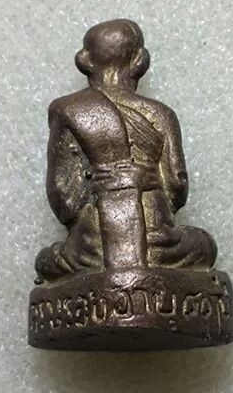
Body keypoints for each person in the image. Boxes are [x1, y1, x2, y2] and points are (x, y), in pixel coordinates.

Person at [35, 19, 217, 282]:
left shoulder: (67, 110)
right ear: (140, 61)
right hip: (159, 244)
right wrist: (143, 181)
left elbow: (62, 196)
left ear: (84, 60)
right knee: (204, 246)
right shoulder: (161, 114)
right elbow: (177, 187)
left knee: (46, 261)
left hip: (91, 248)